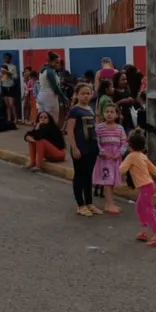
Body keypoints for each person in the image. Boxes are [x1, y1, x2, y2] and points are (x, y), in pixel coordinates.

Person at [119, 129, 156, 247]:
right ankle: (144, 231)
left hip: (145, 187)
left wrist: (118, 165)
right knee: (139, 207)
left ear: (129, 145)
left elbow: (122, 169)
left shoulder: (131, 156)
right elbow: (153, 168)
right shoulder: (142, 156)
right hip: (149, 186)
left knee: (148, 210)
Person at [64, 83, 100, 216]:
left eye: (88, 93)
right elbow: (70, 131)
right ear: (77, 95)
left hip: (91, 147)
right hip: (80, 148)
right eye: (83, 93)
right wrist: (74, 148)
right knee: (79, 176)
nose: (86, 96)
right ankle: (80, 204)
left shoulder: (90, 109)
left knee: (88, 176)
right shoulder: (74, 111)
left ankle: (89, 203)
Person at [94, 104, 128, 214]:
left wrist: (119, 153)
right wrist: (103, 153)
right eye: (107, 111)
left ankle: (110, 202)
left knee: (112, 181)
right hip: (105, 159)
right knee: (107, 180)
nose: (109, 114)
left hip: (116, 158)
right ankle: (109, 204)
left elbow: (124, 142)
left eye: (112, 112)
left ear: (117, 114)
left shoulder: (120, 128)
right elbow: (96, 142)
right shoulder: (99, 128)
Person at [37, 52, 68, 122]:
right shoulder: (50, 71)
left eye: (58, 62)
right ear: (50, 62)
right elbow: (55, 87)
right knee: (52, 120)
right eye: (56, 62)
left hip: (41, 95)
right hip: (49, 96)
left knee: (41, 119)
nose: (58, 65)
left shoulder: (43, 69)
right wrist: (64, 98)